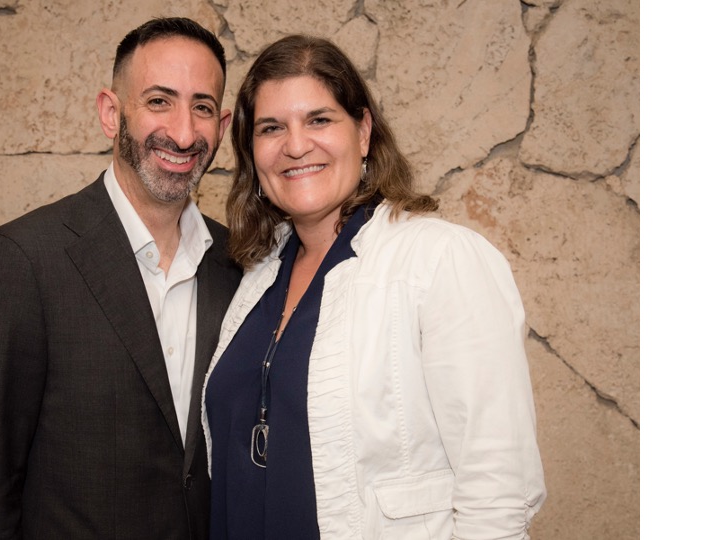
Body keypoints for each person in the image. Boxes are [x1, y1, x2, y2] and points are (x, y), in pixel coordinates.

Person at [201, 35, 546, 539]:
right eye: (271, 128)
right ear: (252, 153)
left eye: (319, 120)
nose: (295, 145)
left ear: (363, 132)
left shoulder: (439, 260)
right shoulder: (256, 277)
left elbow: (499, 490)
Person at [0, 17, 241, 539]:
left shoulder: (239, 265)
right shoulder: (18, 264)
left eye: (201, 107)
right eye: (158, 101)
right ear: (111, 113)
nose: (183, 133)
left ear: (222, 124)